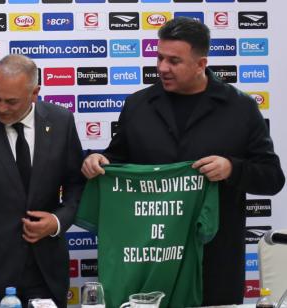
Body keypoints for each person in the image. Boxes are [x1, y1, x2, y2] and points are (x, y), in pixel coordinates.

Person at [82, 17, 285, 306]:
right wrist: (98, 160)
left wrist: (231, 168)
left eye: (174, 61)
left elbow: (272, 177)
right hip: (149, 258)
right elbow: (117, 160)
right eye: (160, 57)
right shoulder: (138, 105)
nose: (163, 68)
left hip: (212, 262)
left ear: (201, 64)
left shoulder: (240, 108)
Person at [0, 54, 85, 308]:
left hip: (46, 272)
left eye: (11, 101)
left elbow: (77, 184)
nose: (0, 107)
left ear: (35, 93)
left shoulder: (61, 121)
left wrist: (56, 221)